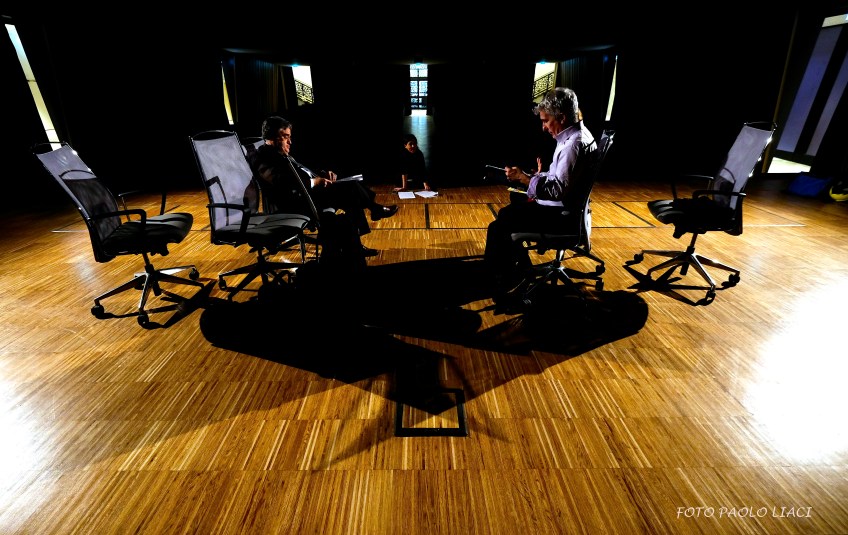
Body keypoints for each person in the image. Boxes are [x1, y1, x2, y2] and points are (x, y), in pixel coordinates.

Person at [484, 87, 597, 293]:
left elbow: (557, 191)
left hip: (562, 217)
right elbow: (561, 179)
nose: (543, 127)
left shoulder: (573, 145)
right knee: (512, 205)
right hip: (569, 210)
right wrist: (535, 176)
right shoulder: (580, 135)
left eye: (546, 121)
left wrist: (525, 179)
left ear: (561, 117)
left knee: (499, 225)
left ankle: (498, 281)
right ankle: (516, 267)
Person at [248, 116, 398, 261]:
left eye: (289, 137)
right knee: (349, 190)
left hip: (305, 196)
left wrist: (321, 175)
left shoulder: (279, 153)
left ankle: (357, 242)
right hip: (290, 204)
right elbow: (282, 183)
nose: (290, 142)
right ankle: (372, 213)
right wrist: (314, 182)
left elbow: (302, 174)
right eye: (286, 137)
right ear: (272, 137)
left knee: (349, 193)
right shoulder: (261, 157)